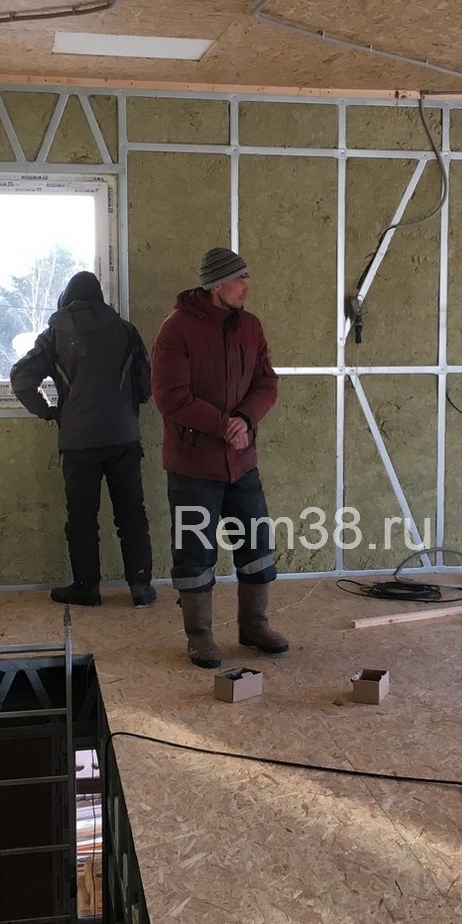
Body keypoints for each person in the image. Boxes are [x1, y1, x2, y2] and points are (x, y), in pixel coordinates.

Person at [150, 247, 288, 667]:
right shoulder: (176, 330)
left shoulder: (251, 326)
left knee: (257, 543)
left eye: (247, 276)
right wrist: (221, 424)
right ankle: (199, 636)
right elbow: (170, 397)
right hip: (193, 466)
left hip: (241, 461)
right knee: (195, 553)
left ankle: (254, 625)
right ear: (215, 285)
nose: (247, 286)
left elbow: (266, 383)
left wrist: (244, 420)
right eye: (238, 278)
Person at [10, 271, 155, 607]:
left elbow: (21, 378)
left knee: (82, 517)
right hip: (123, 437)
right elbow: (146, 385)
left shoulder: (55, 333)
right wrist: (127, 407)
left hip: (79, 442)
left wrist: (49, 412)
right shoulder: (126, 330)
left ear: (67, 299)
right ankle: (141, 587)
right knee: (132, 514)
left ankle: (87, 588)